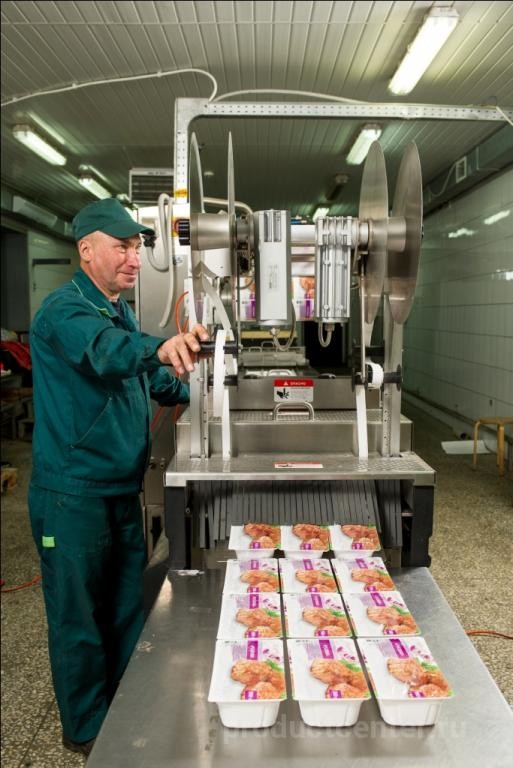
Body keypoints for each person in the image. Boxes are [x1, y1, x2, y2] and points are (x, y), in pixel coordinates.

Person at [28, 198, 209, 757]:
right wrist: (160, 346)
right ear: (86, 250)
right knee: (79, 617)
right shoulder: (65, 311)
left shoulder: (117, 310)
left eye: (136, 247)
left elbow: (145, 377)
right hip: (73, 493)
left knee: (127, 606)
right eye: (122, 247)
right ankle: (86, 729)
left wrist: (199, 385)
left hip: (119, 488)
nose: (134, 258)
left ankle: (128, 711)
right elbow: (109, 355)